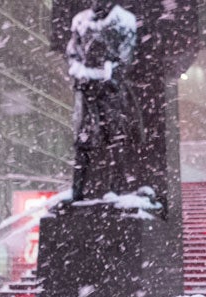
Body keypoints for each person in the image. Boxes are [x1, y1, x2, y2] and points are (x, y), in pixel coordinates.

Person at [66, 0, 141, 201]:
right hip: (86, 88)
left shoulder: (125, 20)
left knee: (115, 137)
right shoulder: (80, 21)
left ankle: (116, 188)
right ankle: (77, 190)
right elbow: (72, 54)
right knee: (83, 140)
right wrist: (82, 72)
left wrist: (108, 73)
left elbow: (126, 57)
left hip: (110, 90)